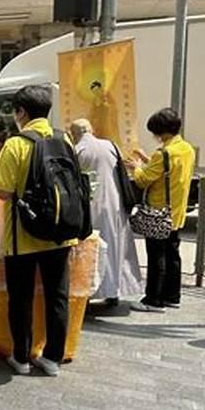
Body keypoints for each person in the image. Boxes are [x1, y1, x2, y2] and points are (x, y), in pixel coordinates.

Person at [0, 85, 78, 378]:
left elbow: (2, 192)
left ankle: (21, 357)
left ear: (21, 113)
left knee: (21, 298)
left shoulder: (16, 145)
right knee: (58, 296)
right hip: (60, 233)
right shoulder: (64, 138)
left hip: (23, 238)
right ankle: (53, 358)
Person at [126, 108, 196, 312]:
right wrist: (146, 159)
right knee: (173, 254)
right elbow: (166, 171)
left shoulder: (163, 153)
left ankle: (153, 300)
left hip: (158, 212)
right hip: (176, 211)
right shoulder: (186, 149)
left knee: (157, 255)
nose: (154, 136)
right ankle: (172, 296)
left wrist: (136, 167)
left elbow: (143, 180)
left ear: (162, 131)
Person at [70, 118, 141, 306]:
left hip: (91, 207)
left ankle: (90, 292)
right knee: (117, 248)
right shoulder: (110, 146)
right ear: (91, 129)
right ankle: (114, 291)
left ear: (74, 134)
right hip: (115, 203)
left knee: (92, 251)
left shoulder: (77, 151)